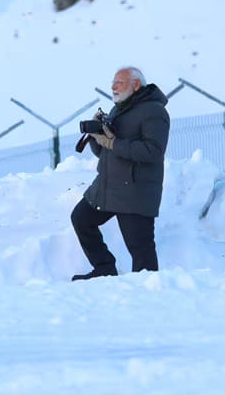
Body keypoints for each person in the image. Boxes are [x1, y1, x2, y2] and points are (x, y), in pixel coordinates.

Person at [70, 66, 171, 280]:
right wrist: (97, 136)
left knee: (140, 250)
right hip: (108, 188)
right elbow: (106, 153)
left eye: (119, 82)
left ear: (136, 85)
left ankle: (148, 291)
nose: (113, 87)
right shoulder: (119, 110)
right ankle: (104, 268)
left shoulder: (155, 111)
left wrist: (113, 142)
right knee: (81, 219)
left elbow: (152, 151)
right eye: (113, 82)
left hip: (135, 191)